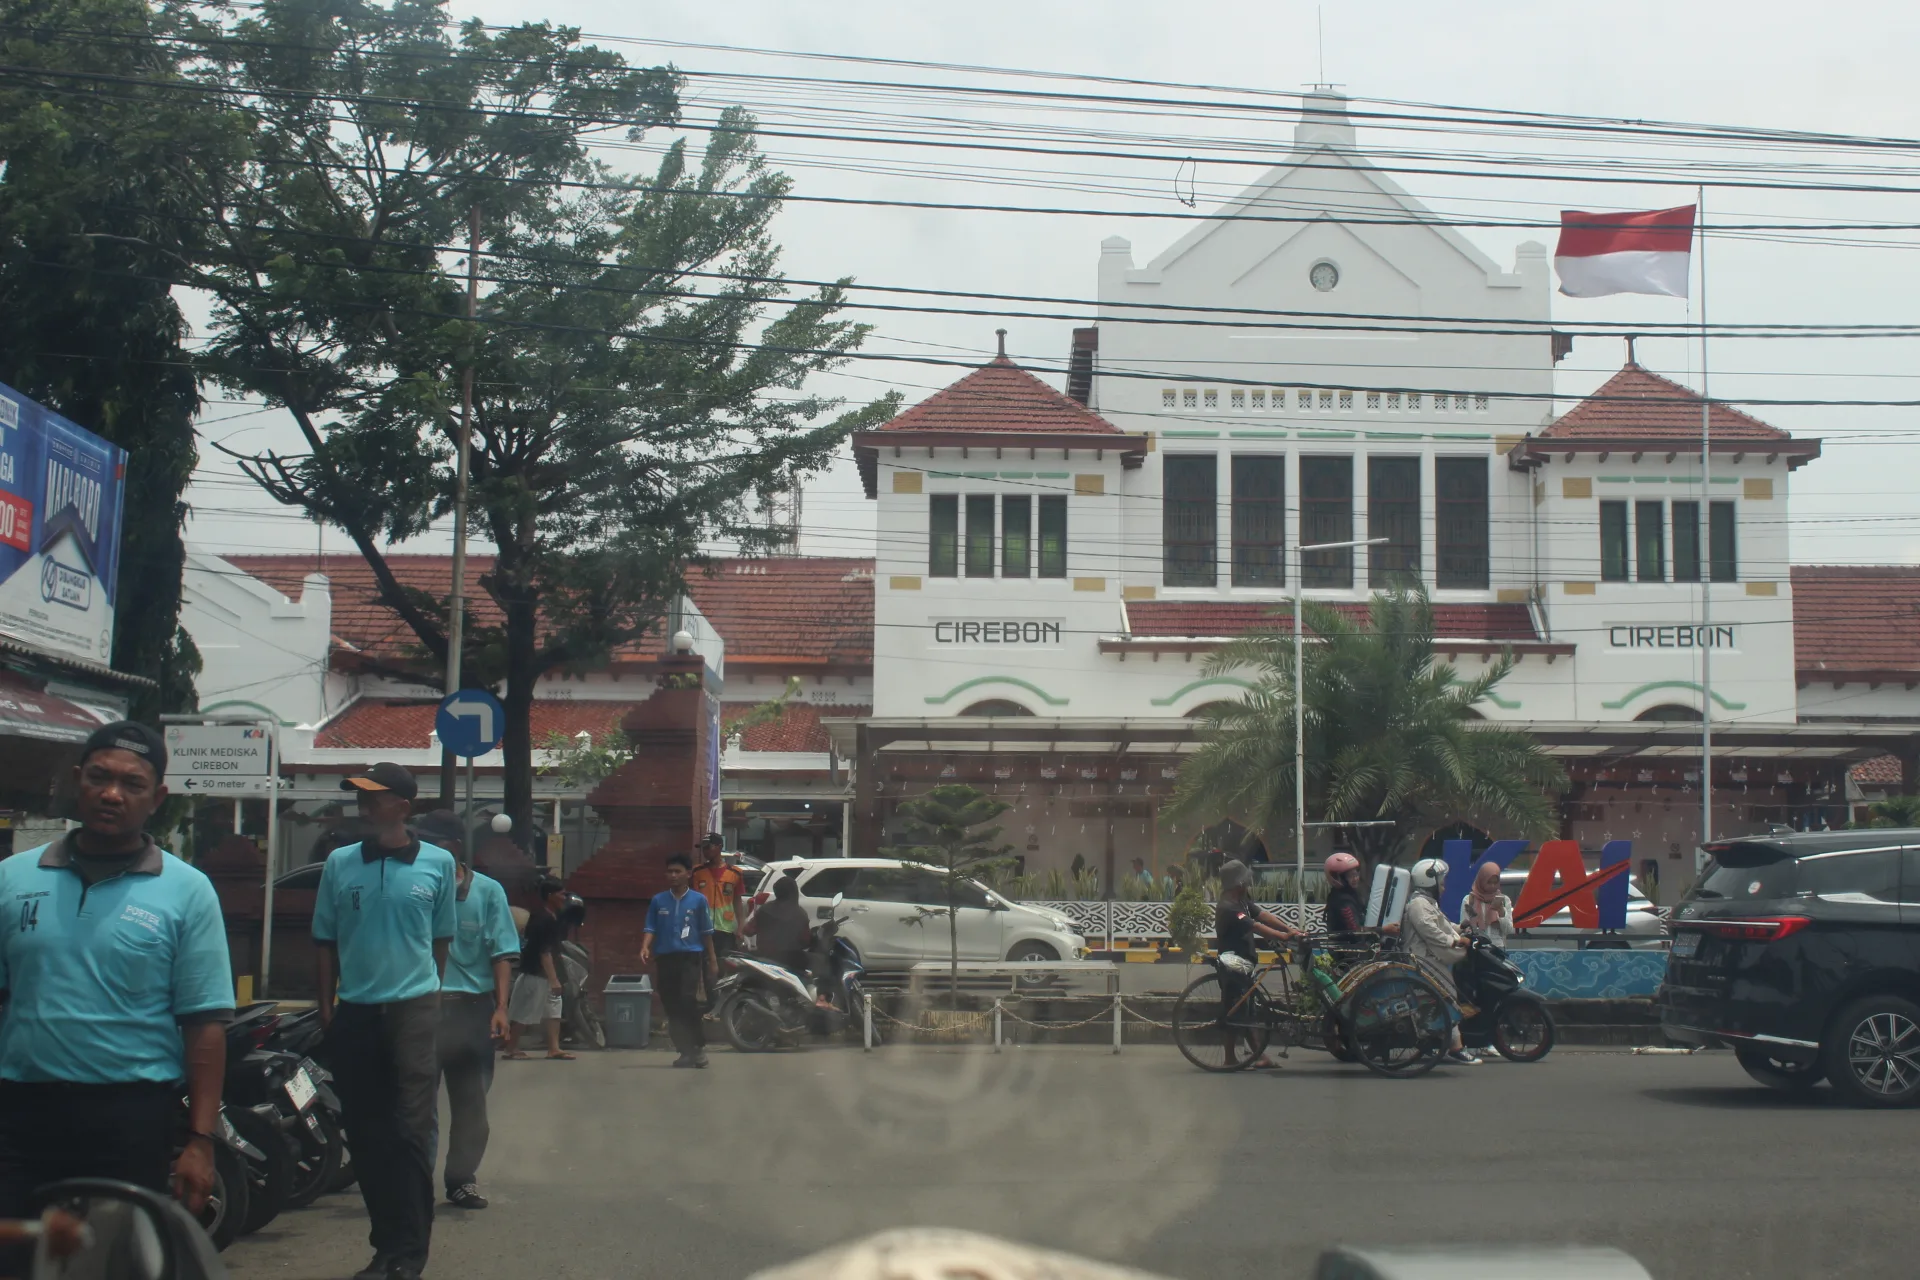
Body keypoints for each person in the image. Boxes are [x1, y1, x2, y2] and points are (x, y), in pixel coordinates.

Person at [0, 722, 232, 1226]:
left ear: (158, 798)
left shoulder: (188, 891)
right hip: (19, 1115)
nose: (111, 794)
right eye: (99, 778)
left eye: (132, 784)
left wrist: (200, 1140)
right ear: (77, 779)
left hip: (129, 1119)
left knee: (108, 1261)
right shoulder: (12, 878)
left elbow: (205, 1025)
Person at [313, 762, 458, 1280]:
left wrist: (431, 994)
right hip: (355, 1009)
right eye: (359, 797)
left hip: (413, 1009)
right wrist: (328, 1005)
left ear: (402, 804)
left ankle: (410, 1253)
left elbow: (441, 939)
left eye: (374, 797)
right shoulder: (340, 864)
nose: (364, 806)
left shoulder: (438, 863)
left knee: (409, 1132)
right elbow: (325, 938)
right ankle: (385, 1247)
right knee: (367, 1133)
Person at [437, 853, 519, 1209]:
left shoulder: (487, 891)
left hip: (472, 1008)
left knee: (472, 1104)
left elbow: (501, 952)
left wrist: (501, 1008)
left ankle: (460, 1179)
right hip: (420, 1007)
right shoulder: (414, 890)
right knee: (415, 1104)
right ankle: (409, 1184)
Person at [1213, 859, 1304, 1070]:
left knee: (1244, 1010)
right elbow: (1256, 926)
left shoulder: (1242, 901)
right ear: (1238, 884)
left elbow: (1262, 915)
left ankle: (1256, 1056)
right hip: (1232, 964)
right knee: (1235, 1010)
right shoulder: (1229, 907)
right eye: (1245, 880)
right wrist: (1284, 936)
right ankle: (1232, 1058)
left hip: (1244, 963)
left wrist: (1290, 929)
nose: (1248, 883)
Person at [642, 853, 717, 1068]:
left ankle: (698, 1048)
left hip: (690, 958)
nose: (673, 875)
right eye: (670, 872)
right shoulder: (658, 900)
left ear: (688, 874)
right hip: (665, 958)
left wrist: (712, 960)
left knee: (687, 1001)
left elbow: (706, 932)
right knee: (671, 1004)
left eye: (677, 871)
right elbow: (650, 927)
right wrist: (645, 946)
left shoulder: (698, 900)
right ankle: (684, 1051)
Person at [1400, 857, 1477, 1066]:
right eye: (1441, 881)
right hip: (1421, 959)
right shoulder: (1418, 904)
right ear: (1429, 881)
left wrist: (1460, 928)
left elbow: (1442, 922)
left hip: (1428, 957)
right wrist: (1455, 940)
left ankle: (1444, 1041)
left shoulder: (1426, 902)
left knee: (1447, 995)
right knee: (1448, 997)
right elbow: (1431, 931)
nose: (1444, 885)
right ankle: (1455, 1047)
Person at [505, 876, 572, 1062]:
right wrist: (553, 979)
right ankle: (511, 1048)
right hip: (536, 974)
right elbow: (545, 952)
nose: (564, 897)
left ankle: (554, 1048)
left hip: (545, 973)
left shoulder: (549, 916)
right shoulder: (544, 919)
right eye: (561, 894)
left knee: (553, 1011)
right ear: (550, 895)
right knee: (524, 1011)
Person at [744, 873, 815, 983]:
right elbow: (805, 941)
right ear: (794, 893)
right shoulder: (800, 913)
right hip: (792, 962)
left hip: (765, 959)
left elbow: (748, 931)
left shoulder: (765, 909)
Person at [690, 833, 745, 960]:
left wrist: (741, 927)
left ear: (719, 847)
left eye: (708, 847)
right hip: (701, 928)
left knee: (722, 963)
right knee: (701, 963)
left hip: (724, 929)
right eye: (703, 848)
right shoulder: (697, 872)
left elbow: (737, 901)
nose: (705, 851)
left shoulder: (735, 873)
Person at [1459, 859, 1514, 946]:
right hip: (1476, 947)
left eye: (1495, 883)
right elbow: (1463, 927)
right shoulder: (1469, 899)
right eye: (1489, 882)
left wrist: (1500, 911)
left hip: (1496, 948)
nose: (1492, 886)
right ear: (1482, 880)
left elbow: (1509, 930)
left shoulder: (1504, 900)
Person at [1322, 852, 1367, 936]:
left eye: (1356, 874)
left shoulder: (1352, 894)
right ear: (1337, 878)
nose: (1355, 879)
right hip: (1347, 946)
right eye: (1350, 876)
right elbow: (1355, 930)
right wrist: (1383, 930)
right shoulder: (1342, 900)